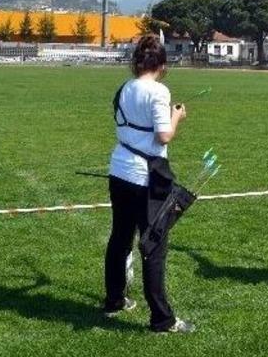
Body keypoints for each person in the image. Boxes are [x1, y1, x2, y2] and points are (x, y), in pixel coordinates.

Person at [103, 34, 195, 333]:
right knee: (154, 246)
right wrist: (176, 116)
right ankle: (162, 318)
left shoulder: (124, 88)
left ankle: (115, 300)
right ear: (162, 64)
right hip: (145, 177)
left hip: (120, 172)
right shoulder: (158, 91)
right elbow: (163, 136)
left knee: (120, 238)